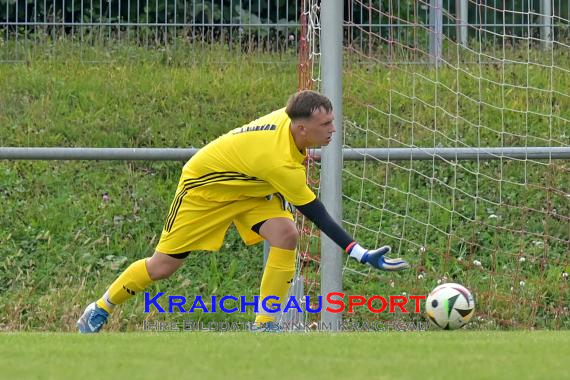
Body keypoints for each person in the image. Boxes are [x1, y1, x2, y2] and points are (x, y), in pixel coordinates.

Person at [77, 90, 409, 333]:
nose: (333, 130)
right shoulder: (278, 161)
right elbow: (315, 212)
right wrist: (360, 252)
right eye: (326, 124)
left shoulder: (292, 120)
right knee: (162, 267)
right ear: (301, 129)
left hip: (249, 186)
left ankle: (264, 326)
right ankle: (101, 307)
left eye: (333, 121)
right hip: (205, 190)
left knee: (286, 235)